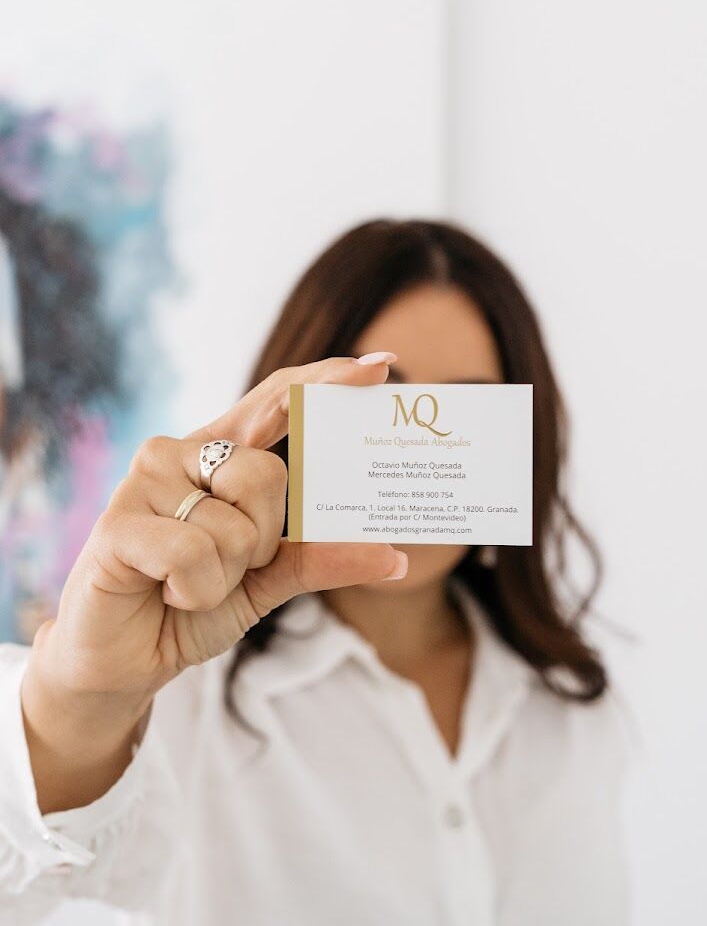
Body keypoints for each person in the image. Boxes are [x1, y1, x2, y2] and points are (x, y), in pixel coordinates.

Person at [0, 218, 631, 925]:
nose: (418, 449)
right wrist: (79, 702)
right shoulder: (181, 693)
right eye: (381, 404)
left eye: (464, 412)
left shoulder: (568, 705)